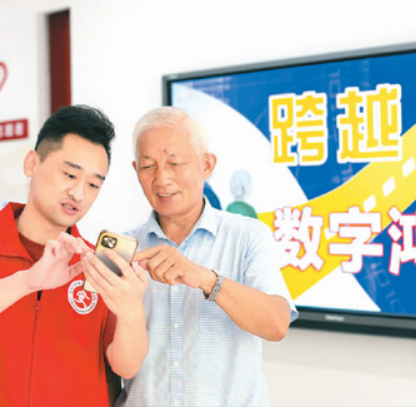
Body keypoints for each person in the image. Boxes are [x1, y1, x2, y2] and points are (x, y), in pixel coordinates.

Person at [116, 106, 298, 407]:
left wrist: (205, 279)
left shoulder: (248, 236)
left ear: (207, 165)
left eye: (175, 163)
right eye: (148, 166)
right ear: (136, 171)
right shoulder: (124, 249)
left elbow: (276, 324)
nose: (162, 179)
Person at [0, 105, 149, 407]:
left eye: (93, 184)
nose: (79, 194)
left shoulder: (98, 265)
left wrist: (131, 309)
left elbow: (126, 366)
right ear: (31, 164)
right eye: (70, 174)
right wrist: (27, 282)